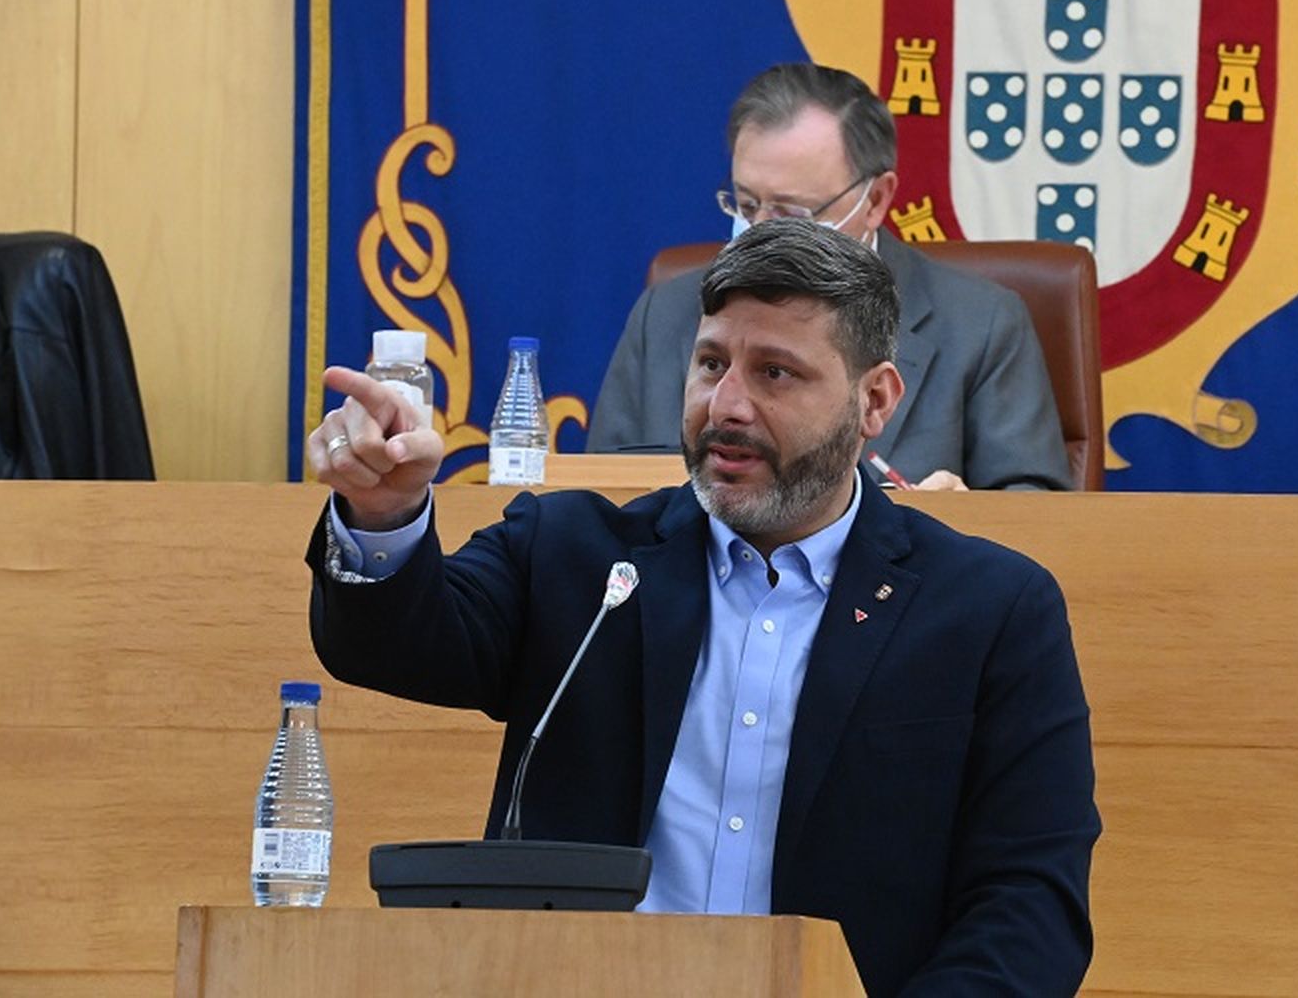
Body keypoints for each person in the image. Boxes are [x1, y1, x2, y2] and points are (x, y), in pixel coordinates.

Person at [305, 219, 1098, 996]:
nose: (726, 406)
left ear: (875, 401)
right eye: (711, 363)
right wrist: (382, 514)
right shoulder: (575, 557)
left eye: (775, 373)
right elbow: (393, 646)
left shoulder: (989, 611)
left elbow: (1029, 908)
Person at [586, 62, 1073, 492]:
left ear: (876, 200)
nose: (762, 230)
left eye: (790, 212)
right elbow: (601, 496)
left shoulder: (982, 325)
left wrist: (964, 518)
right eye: (747, 204)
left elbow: (1039, 512)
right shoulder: (665, 314)